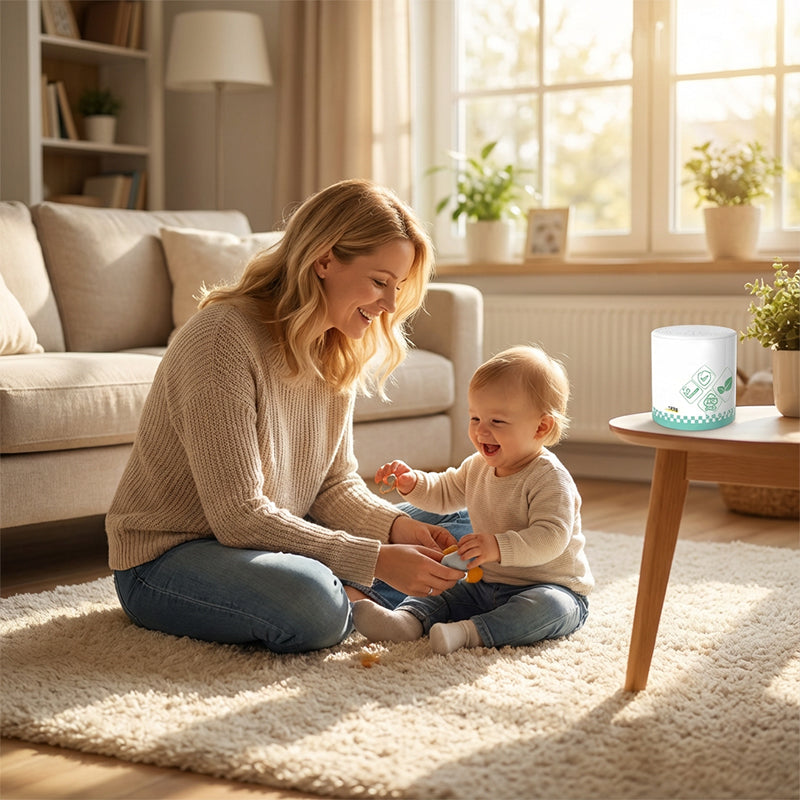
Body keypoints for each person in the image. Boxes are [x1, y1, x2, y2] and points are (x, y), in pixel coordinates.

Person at [106, 179, 465, 654]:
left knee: (465, 525)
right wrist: (376, 557)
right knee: (313, 604)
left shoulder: (336, 347)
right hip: (168, 560)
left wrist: (398, 531)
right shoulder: (221, 339)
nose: (390, 306)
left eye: (397, 287)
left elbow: (333, 486)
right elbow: (238, 517)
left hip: (267, 540)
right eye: (380, 282)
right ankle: (365, 594)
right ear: (323, 260)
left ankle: (363, 593)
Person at [354, 345, 594, 654]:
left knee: (550, 608)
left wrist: (496, 546)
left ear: (541, 427)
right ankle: (406, 620)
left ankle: (469, 633)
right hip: (485, 584)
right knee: (445, 589)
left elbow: (551, 538)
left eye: (497, 422)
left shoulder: (549, 479)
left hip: (549, 586)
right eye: (475, 418)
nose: (481, 431)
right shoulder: (478, 466)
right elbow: (444, 491)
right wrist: (413, 482)